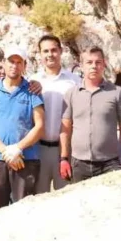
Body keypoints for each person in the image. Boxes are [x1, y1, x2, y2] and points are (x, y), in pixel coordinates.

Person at [0, 47, 45, 210]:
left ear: (24, 65)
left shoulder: (32, 91)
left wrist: (17, 149)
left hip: (25, 160)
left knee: (24, 210)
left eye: (18, 62)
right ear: (4, 63)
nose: (14, 66)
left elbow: (40, 125)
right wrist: (6, 151)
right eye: (11, 61)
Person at [60, 47, 121, 183]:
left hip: (109, 164)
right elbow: (65, 129)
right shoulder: (71, 94)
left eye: (98, 62)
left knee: (112, 204)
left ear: (104, 64)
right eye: (89, 62)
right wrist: (64, 159)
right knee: (81, 203)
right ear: (81, 66)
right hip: (79, 165)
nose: (94, 66)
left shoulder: (117, 92)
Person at [30, 34, 81, 194]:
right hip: (38, 150)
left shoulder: (75, 81)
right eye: (45, 51)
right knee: (37, 199)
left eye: (53, 50)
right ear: (40, 54)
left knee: (65, 199)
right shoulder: (32, 81)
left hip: (65, 151)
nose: (50, 54)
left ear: (61, 51)